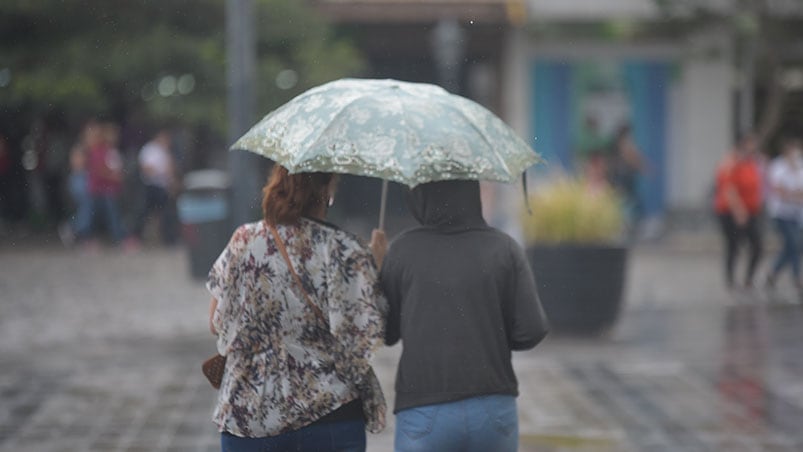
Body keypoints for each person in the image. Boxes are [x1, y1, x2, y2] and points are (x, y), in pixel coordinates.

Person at [206, 165, 388, 452]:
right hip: (331, 414)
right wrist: (374, 267)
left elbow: (216, 322)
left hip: (249, 417)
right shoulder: (345, 249)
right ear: (327, 190)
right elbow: (368, 330)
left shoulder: (244, 240)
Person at [379, 180, 549, 452]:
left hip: (424, 408)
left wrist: (377, 270)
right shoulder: (504, 248)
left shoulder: (402, 250)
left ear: (421, 195)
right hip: (493, 407)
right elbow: (532, 330)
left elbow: (386, 334)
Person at [713, 134, 764, 289]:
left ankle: (748, 280)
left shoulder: (751, 163)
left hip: (751, 211)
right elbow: (729, 189)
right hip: (730, 212)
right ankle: (730, 280)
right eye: (750, 144)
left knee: (757, 246)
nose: (753, 147)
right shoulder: (731, 162)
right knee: (733, 246)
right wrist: (739, 211)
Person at [765, 138, 803, 291]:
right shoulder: (777, 166)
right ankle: (796, 278)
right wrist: (793, 195)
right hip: (780, 213)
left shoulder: (800, 166)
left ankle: (773, 272)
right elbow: (779, 191)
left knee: (792, 246)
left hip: (797, 214)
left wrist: (792, 194)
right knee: (794, 243)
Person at [128, 130, 178, 247]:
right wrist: (161, 172)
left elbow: (171, 170)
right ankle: (134, 237)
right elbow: (146, 169)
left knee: (167, 213)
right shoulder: (149, 149)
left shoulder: (165, 152)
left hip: (162, 187)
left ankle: (169, 239)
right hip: (149, 186)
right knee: (142, 211)